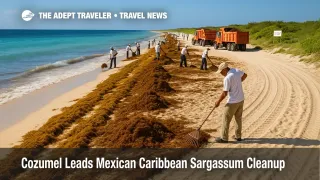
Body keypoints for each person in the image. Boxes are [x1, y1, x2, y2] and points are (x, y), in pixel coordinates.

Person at [214, 62, 247, 143]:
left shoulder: (227, 78)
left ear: (225, 69)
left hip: (232, 102)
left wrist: (218, 102)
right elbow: (245, 75)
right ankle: (238, 136)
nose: (221, 74)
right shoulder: (235, 70)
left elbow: (225, 93)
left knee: (226, 119)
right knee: (238, 119)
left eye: (221, 72)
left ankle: (224, 138)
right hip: (241, 99)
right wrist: (238, 82)